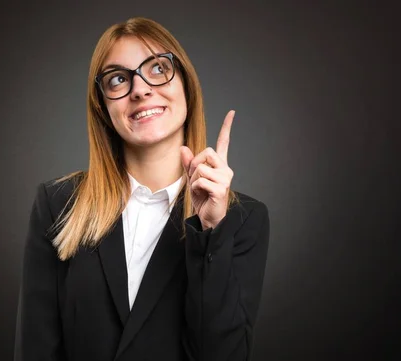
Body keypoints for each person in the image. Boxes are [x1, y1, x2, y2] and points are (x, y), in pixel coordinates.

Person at [14, 16, 270, 361]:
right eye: (118, 79)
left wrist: (210, 232)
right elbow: (36, 349)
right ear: (104, 108)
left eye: (158, 68)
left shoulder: (242, 219)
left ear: (186, 86)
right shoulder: (58, 204)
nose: (140, 89)